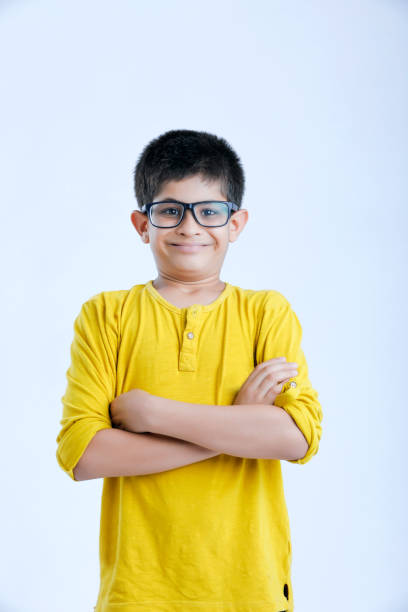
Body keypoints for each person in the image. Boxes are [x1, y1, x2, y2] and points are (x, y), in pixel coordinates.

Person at [56, 129, 323, 612]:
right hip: (138, 593)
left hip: (250, 590)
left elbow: (295, 438)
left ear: (236, 223)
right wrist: (237, 424)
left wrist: (151, 412)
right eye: (170, 210)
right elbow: (83, 453)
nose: (190, 227)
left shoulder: (266, 312)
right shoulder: (106, 315)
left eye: (210, 211)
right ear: (143, 223)